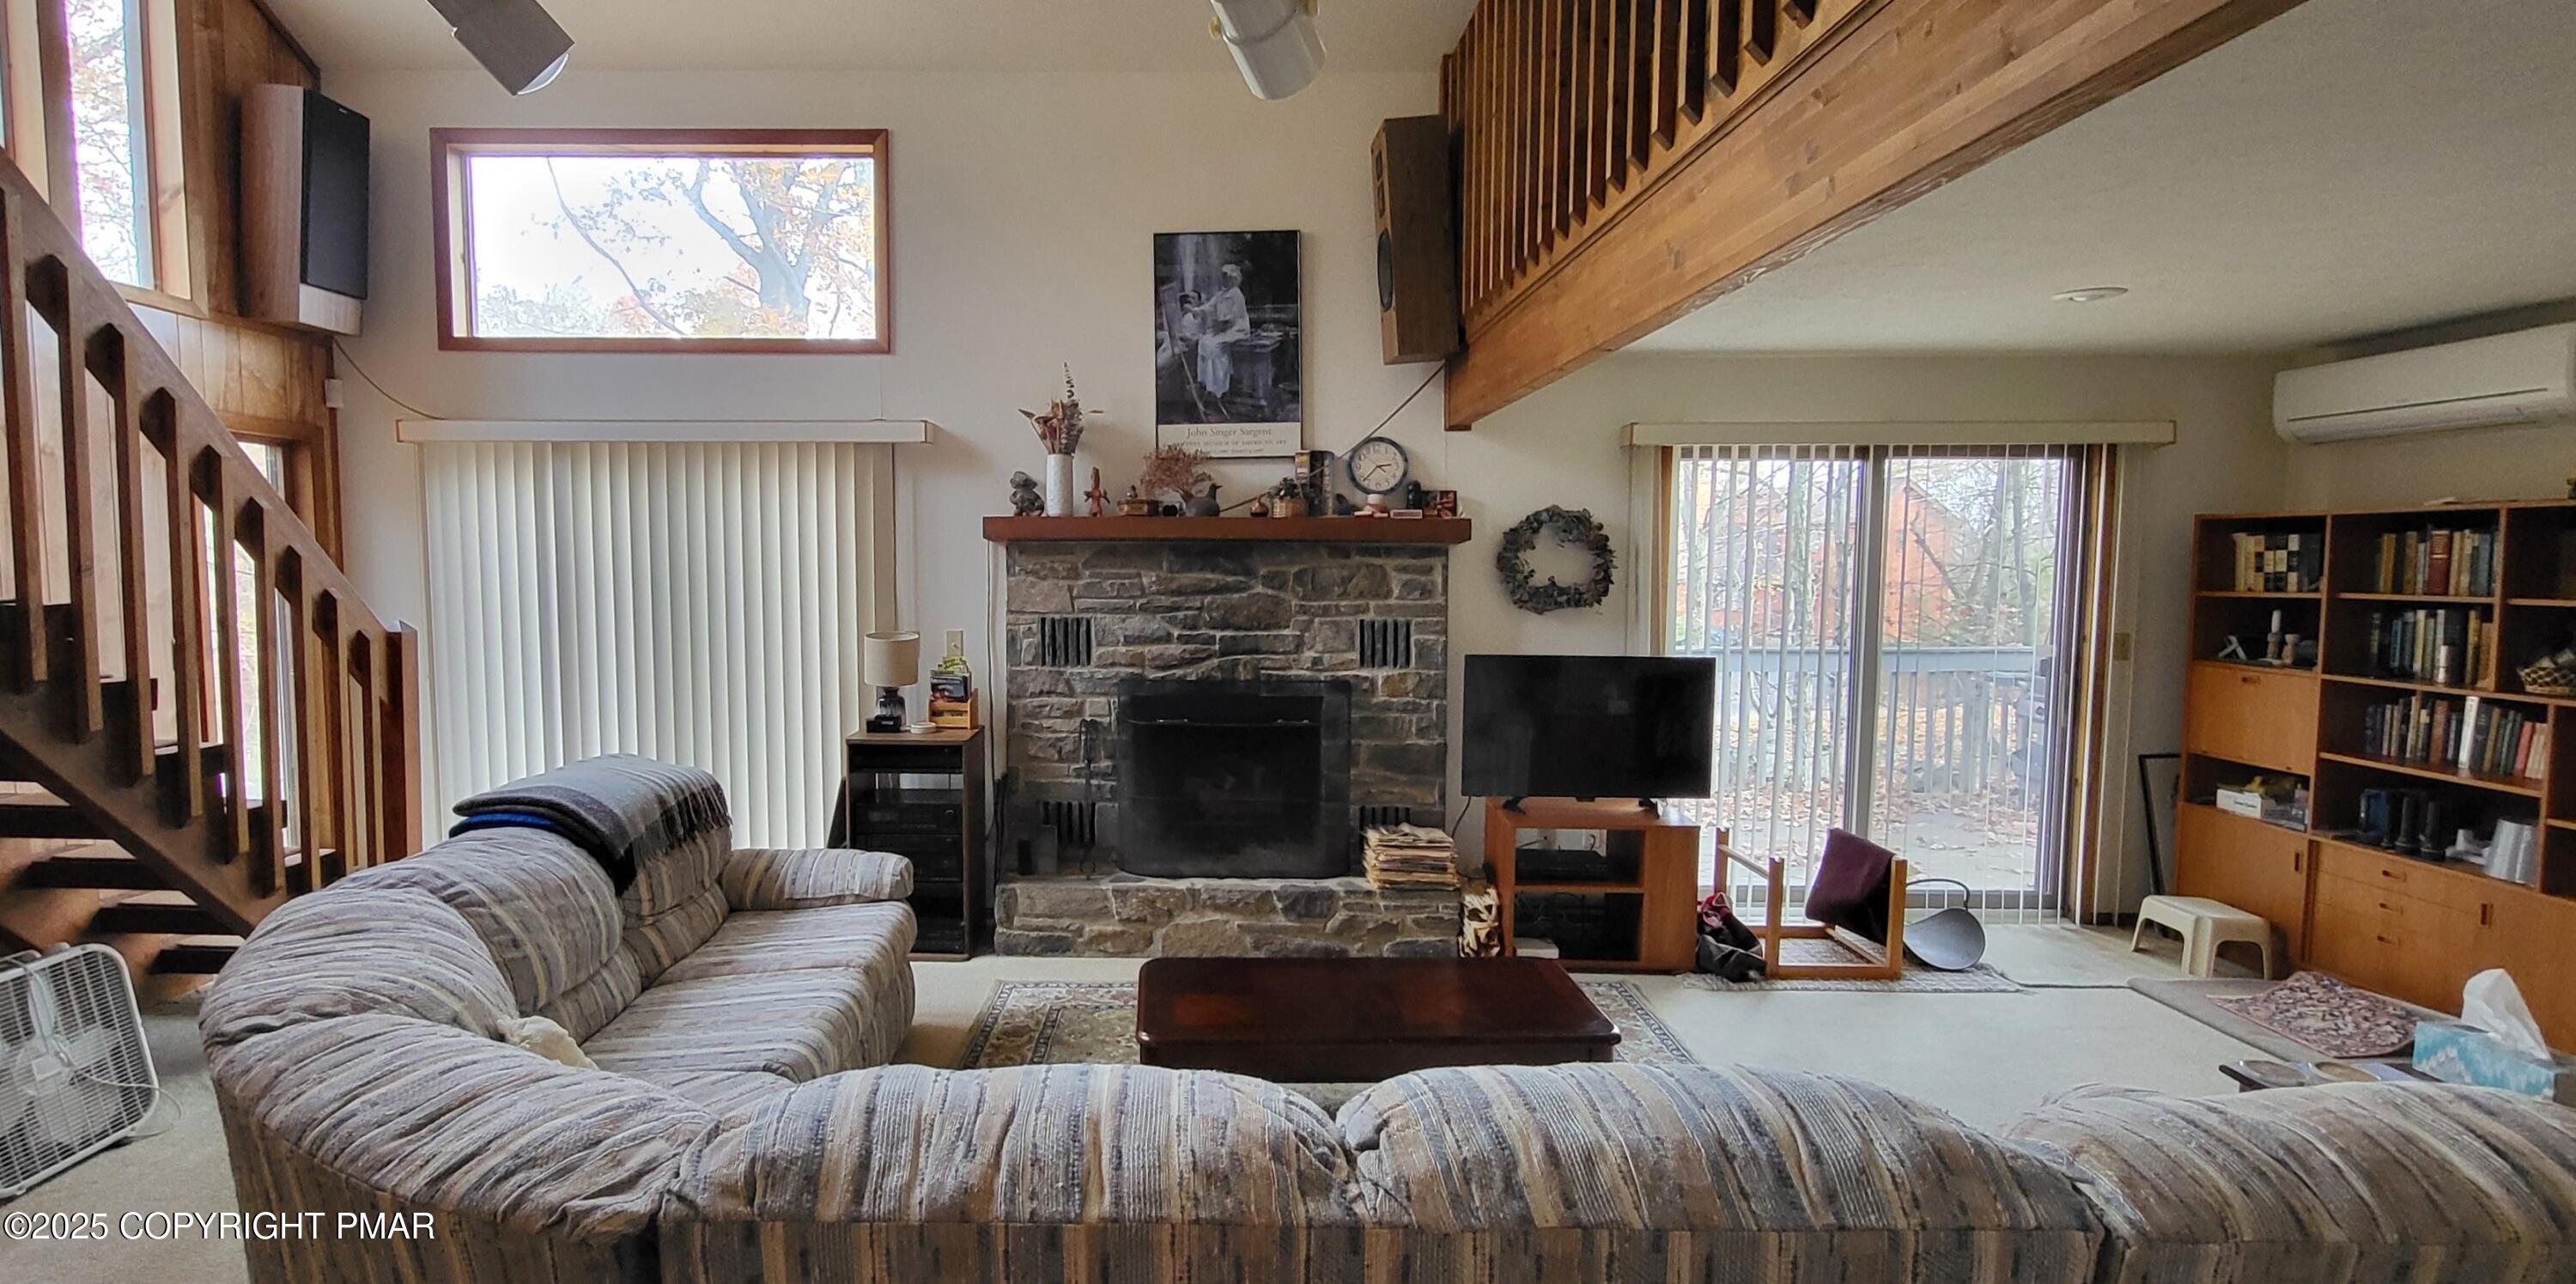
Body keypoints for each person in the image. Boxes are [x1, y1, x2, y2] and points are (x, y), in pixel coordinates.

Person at [1197, 264, 1252, 403]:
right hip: (1224, 328)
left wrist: (1221, 324)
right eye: (1223, 277)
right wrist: (1194, 311)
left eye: (1226, 277)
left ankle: (1219, 384)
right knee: (1204, 341)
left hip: (1236, 329)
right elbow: (1208, 307)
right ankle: (1207, 380)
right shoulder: (1221, 294)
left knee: (1215, 346)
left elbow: (1235, 316)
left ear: (1233, 279)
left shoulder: (1237, 295)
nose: (1224, 280)